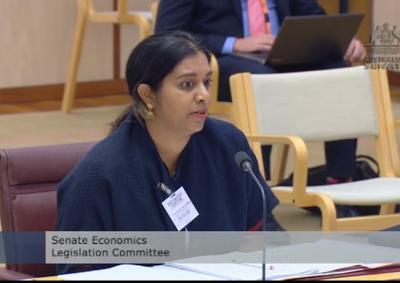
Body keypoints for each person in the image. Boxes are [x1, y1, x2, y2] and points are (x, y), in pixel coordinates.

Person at [56, 31, 282, 274]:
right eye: (187, 84)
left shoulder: (229, 146)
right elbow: (77, 272)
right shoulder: (97, 177)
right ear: (148, 95)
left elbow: (266, 233)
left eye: (206, 82)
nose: (203, 95)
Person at [155, 0, 367, 183]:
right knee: (261, 78)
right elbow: (168, 33)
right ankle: (258, 187)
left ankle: (339, 179)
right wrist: (235, 44)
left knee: (338, 70)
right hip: (224, 61)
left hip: (286, 55)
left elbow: (313, 17)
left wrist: (341, 40)